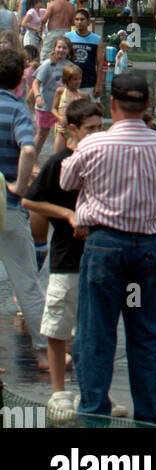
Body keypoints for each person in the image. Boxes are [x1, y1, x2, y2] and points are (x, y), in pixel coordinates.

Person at [60, 71, 156, 425]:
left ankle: (95, 414)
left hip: (105, 250)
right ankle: (149, 416)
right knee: (144, 333)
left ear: (112, 105)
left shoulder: (93, 145)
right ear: (148, 105)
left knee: (96, 333)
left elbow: (67, 180)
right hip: (145, 255)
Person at [21, 98, 105, 419]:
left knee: (95, 328)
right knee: (58, 326)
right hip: (66, 258)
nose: (98, 133)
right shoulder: (60, 161)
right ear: (73, 129)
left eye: (101, 127)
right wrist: (67, 214)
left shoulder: (104, 158)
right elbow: (31, 201)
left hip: (99, 257)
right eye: (91, 129)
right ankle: (58, 393)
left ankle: (93, 394)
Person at [0, 48, 49, 368]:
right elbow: (29, 149)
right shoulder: (18, 110)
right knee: (26, 282)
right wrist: (18, 186)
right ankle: (45, 352)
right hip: (8, 207)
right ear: (21, 79)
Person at [33, 37, 69, 157]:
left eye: (64, 48)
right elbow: (36, 82)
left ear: (69, 50)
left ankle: (57, 162)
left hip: (61, 108)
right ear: (54, 49)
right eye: (59, 47)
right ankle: (32, 161)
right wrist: (38, 96)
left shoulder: (70, 66)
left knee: (61, 135)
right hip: (46, 105)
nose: (61, 50)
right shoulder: (48, 64)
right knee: (42, 133)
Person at [65, 7, 104, 101]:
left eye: (82, 19)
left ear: (88, 22)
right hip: (71, 82)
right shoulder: (68, 37)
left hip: (89, 83)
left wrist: (98, 85)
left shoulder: (96, 39)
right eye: (77, 19)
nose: (79, 22)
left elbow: (99, 64)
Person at [51, 62, 83, 153]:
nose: (78, 81)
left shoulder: (82, 95)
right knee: (57, 155)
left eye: (79, 79)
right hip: (61, 129)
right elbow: (53, 109)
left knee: (71, 154)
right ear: (67, 80)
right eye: (75, 79)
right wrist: (60, 118)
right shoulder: (60, 91)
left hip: (73, 131)